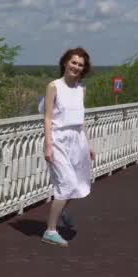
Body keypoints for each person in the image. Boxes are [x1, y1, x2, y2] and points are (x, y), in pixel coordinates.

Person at [41, 47, 95, 247]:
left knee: (78, 182)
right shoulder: (54, 86)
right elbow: (47, 117)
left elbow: (81, 120)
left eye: (80, 65)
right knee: (68, 183)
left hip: (77, 139)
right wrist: (48, 145)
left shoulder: (81, 89)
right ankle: (50, 230)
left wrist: (88, 145)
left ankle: (61, 212)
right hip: (58, 139)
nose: (76, 67)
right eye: (73, 62)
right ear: (65, 62)